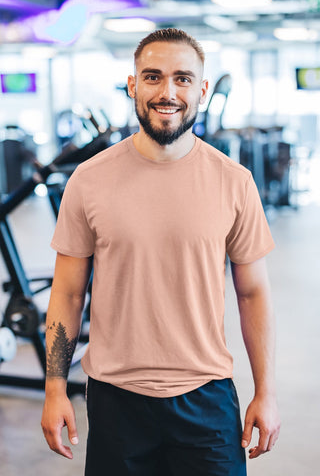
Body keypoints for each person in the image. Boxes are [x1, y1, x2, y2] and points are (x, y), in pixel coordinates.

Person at [41, 28, 280, 475]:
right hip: (116, 400)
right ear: (133, 85)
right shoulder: (89, 180)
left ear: (202, 90)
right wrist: (55, 388)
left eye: (183, 79)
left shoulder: (234, 181)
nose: (167, 92)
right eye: (152, 77)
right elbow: (68, 293)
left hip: (206, 399)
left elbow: (253, 294)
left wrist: (265, 391)